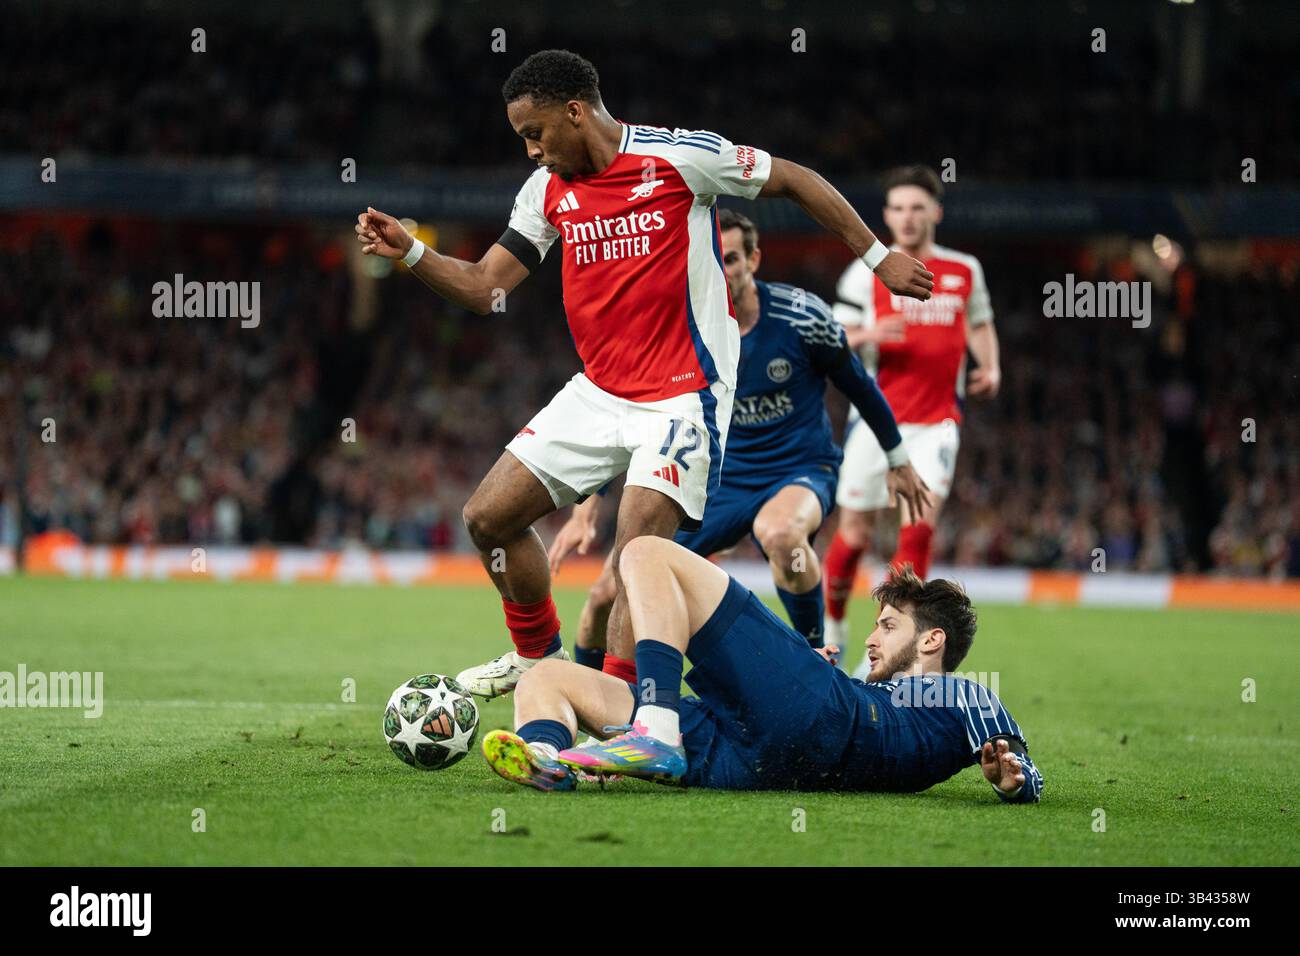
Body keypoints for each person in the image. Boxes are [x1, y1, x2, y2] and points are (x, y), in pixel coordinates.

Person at [356, 51, 934, 697]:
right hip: (600, 390)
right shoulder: (547, 190)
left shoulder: (679, 158)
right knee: (488, 517)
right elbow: (486, 285)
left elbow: (795, 179)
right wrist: (411, 251)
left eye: (535, 133)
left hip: (682, 396)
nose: (531, 151)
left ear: (575, 112)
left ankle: (625, 706)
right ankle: (538, 657)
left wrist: (879, 257)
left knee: (637, 556)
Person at [548, 209, 927, 674]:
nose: (721, 270)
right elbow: (628, 412)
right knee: (608, 591)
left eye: (730, 258)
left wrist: (898, 458)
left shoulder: (803, 317)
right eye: (711, 258)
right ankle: (595, 703)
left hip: (798, 469)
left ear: (754, 260)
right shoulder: (675, 331)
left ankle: (816, 660)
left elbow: (860, 387)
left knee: (782, 534)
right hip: (714, 483)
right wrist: (587, 505)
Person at [482, 535, 1043, 802]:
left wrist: (1013, 779)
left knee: (645, 553)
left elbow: (1029, 774)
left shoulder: (961, 694)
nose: (871, 638)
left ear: (933, 641)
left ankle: (652, 729)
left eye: (889, 625)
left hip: (820, 718)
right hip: (756, 760)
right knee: (543, 679)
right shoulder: (880, 695)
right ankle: (548, 760)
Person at [820, 166, 1000, 676]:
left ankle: (895, 655)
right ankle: (834, 636)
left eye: (918, 207)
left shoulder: (964, 270)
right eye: (898, 207)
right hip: (874, 424)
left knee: (917, 528)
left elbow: (980, 322)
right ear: (886, 215)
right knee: (852, 532)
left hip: (936, 423)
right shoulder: (864, 272)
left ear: (936, 212)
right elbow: (832, 338)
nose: (908, 217)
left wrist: (991, 364)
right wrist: (871, 332)